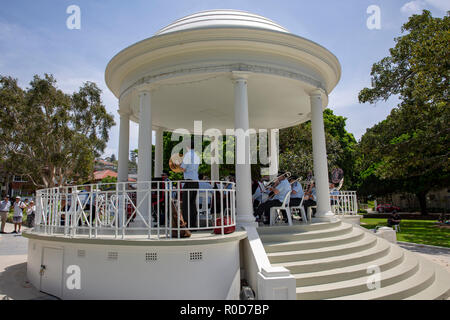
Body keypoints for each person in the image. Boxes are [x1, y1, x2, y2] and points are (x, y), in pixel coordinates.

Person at [180, 139, 200, 228]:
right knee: (192, 204)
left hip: (189, 181)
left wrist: (178, 167)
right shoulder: (197, 155)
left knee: (185, 204)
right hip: (196, 181)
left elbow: (183, 168)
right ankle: (193, 224)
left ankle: (186, 225)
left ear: (187, 146)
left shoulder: (187, 155)